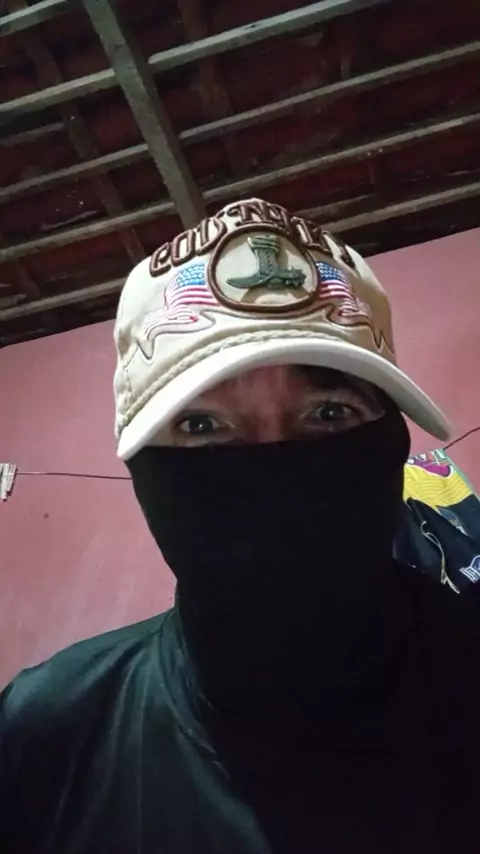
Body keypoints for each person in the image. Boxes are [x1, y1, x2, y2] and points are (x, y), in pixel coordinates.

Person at [1, 197, 480, 854]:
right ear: (145, 472)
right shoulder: (44, 741)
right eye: (202, 425)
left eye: (329, 414)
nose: (275, 471)